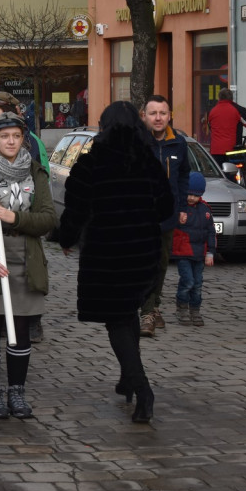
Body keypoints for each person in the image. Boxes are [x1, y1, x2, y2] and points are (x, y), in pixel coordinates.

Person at [59, 101, 174, 424]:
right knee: (128, 312)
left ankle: (142, 387)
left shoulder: (91, 163)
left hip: (108, 254)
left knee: (117, 320)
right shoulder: (148, 162)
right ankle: (127, 379)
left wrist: (66, 238)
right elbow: (166, 207)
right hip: (143, 253)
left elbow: (75, 209)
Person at [0, 113, 55, 420]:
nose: (11, 141)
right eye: (4, 136)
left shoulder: (36, 171)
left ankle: (17, 391)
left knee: (21, 327)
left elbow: (47, 219)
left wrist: (15, 218)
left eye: (16, 136)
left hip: (26, 257)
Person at [140, 95, 191, 338]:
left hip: (167, 216)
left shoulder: (178, 143)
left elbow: (183, 176)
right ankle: (146, 312)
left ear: (169, 116)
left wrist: (181, 206)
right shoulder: (136, 144)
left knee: (160, 263)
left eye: (162, 113)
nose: (158, 118)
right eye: (153, 113)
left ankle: (154, 304)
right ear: (144, 116)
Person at [171, 172, 216, 327]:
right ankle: (182, 307)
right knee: (188, 281)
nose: (191, 198)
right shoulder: (179, 208)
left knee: (197, 284)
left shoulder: (205, 210)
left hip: (199, 254)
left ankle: (195, 310)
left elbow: (211, 232)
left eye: (195, 195)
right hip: (183, 252)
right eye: (189, 194)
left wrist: (210, 252)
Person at [207, 88, 246, 167]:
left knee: (220, 174)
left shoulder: (212, 111)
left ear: (219, 97)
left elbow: (210, 127)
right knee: (234, 173)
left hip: (215, 150)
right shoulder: (237, 109)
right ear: (231, 98)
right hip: (232, 149)